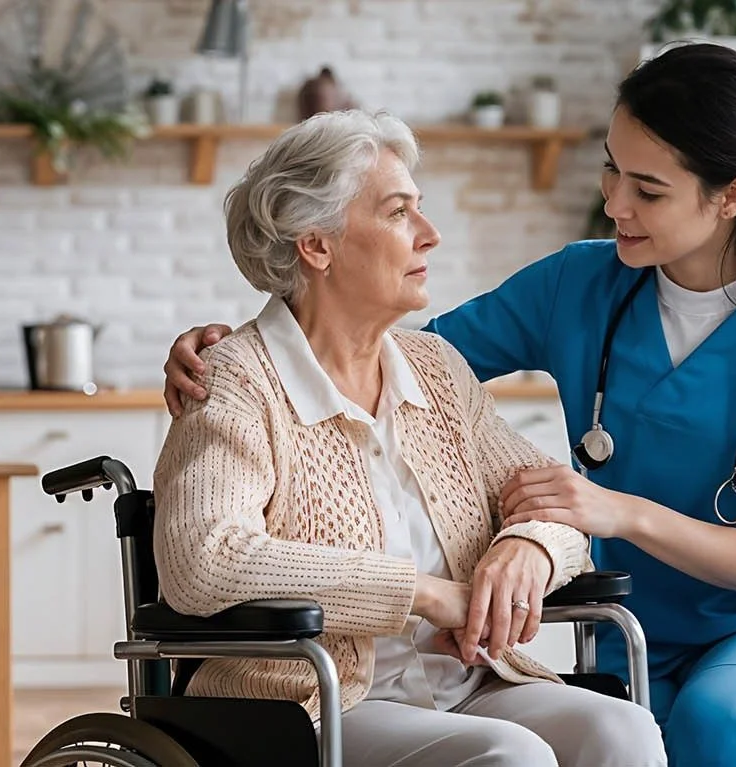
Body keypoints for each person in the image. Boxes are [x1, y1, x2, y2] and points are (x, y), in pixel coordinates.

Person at [162, 42, 736, 767]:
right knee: (611, 733)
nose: (614, 203)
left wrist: (590, 519)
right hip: (632, 619)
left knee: (721, 727)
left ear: (733, 196)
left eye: (648, 190)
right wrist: (239, 346)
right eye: (612, 170)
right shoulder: (581, 284)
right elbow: (371, 351)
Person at [151, 108, 666, 767]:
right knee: (511, 756)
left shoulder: (437, 369)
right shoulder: (237, 381)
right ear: (316, 244)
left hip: (470, 684)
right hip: (316, 703)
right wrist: (423, 592)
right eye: (398, 213)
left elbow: (554, 501)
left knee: (623, 731)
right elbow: (204, 560)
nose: (429, 235)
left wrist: (526, 549)